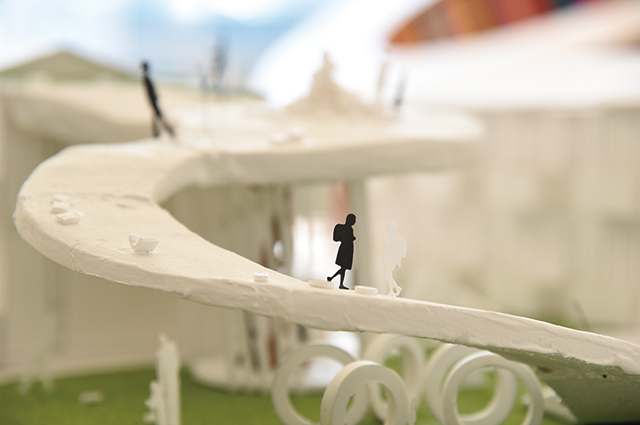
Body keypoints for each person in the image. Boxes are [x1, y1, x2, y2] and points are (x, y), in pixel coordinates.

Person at [141, 61, 174, 138]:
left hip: (153, 100)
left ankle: (157, 133)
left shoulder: (146, 77)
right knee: (159, 116)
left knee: (156, 116)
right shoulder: (146, 78)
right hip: (153, 101)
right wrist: (153, 99)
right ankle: (168, 131)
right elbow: (149, 92)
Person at [328, 213, 356, 290]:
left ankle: (332, 279)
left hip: (347, 249)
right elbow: (345, 238)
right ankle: (340, 283)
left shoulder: (350, 229)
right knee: (343, 268)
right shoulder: (348, 229)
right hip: (345, 249)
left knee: (343, 268)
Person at [383, 221, 406, 297]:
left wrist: (398, 259)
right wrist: (384, 260)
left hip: (392, 260)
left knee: (388, 275)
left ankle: (395, 289)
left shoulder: (399, 240)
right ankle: (393, 290)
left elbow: (401, 252)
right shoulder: (387, 240)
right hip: (388, 260)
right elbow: (385, 251)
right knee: (389, 275)